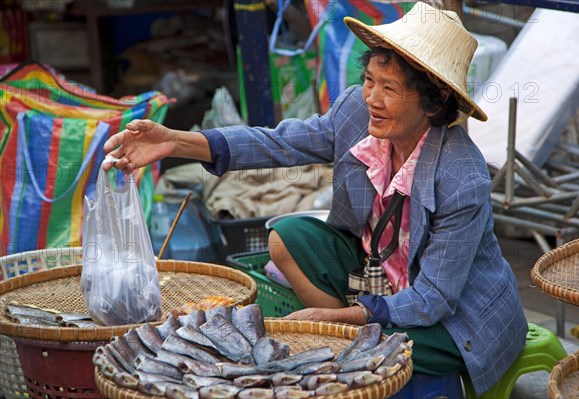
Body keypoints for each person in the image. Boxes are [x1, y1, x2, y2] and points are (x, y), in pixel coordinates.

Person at [104, 2, 527, 396]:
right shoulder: (357, 115)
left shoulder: (462, 178)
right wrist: (174, 141)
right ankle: (352, 346)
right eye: (369, 80)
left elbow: (433, 297)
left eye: (390, 89)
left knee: (397, 348)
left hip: (452, 317)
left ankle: (354, 342)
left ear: (434, 104)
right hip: (377, 272)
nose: (372, 99)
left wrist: (340, 319)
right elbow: (278, 144)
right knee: (286, 236)